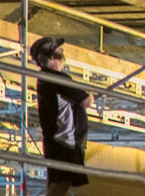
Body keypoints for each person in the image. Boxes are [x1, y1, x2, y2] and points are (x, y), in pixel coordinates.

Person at [31, 36, 92, 196]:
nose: (62, 51)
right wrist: (90, 96)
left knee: (57, 182)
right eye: (58, 50)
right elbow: (86, 101)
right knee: (62, 183)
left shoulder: (44, 79)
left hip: (55, 141)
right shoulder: (57, 79)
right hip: (64, 142)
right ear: (52, 57)